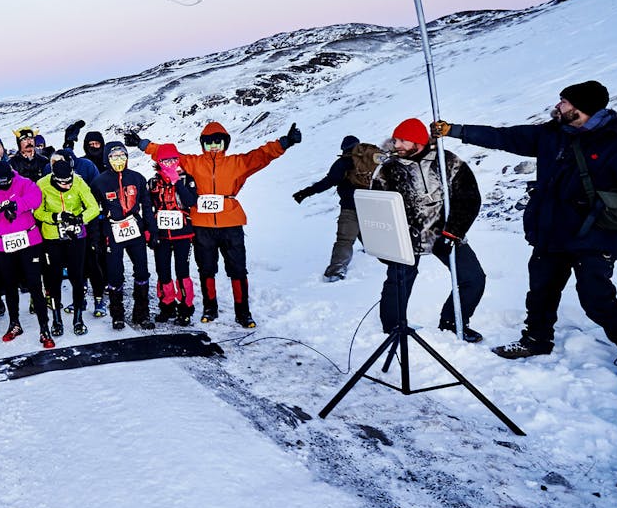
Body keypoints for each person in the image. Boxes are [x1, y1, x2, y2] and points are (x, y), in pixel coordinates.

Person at [433, 80, 617, 385]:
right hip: (551, 230)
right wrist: (455, 130)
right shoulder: (551, 134)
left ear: (582, 108)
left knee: (596, 298)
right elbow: (504, 136)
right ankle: (536, 340)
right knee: (541, 291)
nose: (558, 106)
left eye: (563, 101)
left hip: (596, 234)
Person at [129, 120, 300, 327]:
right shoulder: (194, 163)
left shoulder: (237, 162)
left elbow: (261, 156)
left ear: (225, 143)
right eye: (209, 143)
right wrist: (144, 145)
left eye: (218, 142)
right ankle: (210, 308)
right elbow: (170, 156)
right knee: (206, 269)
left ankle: (243, 311)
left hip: (231, 222)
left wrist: (284, 143)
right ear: (203, 145)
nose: (213, 146)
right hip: (202, 225)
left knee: (238, 269)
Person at [370, 119, 486, 343]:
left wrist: (453, 232)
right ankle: (393, 327)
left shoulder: (446, 161)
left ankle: (453, 324)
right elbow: (377, 208)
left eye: (403, 140)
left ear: (419, 141)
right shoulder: (388, 169)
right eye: (396, 140)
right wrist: (385, 244)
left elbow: (469, 198)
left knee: (473, 278)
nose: (397, 145)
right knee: (399, 280)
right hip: (406, 235)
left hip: (443, 232)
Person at [0, 159, 54, 347]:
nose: (4, 184)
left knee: (35, 284)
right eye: (0, 181)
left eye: (7, 180)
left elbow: (36, 198)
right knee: (10, 286)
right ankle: (14, 323)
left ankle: (45, 327)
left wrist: (14, 204)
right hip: (4, 245)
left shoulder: (23, 182)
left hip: (29, 241)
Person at [32, 156, 101, 336]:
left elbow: (93, 207)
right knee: (53, 279)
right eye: (61, 183)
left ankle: (78, 318)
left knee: (77, 278)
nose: (66, 185)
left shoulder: (78, 181)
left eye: (68, 181)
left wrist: (79, 219)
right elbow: (37, 212)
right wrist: (55, 217)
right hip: (52, 237)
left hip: (75, 235)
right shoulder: (42, 184)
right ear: (53, 177)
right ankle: (56, 319)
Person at [91, 141, 155, 330]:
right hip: (113, 231)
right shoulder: (99, 182)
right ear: (107, 159)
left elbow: (147, 207)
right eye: (114, 156)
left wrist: (152, 230)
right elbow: (94, 212)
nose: (118, 160)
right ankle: (117, 315)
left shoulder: (137, 178)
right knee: (115, 273)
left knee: (142, 270)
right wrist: (97, 238)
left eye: (122, 156)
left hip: (135, 229)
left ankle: (142, 314)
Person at [293, 135, 373, 281]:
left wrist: (305, 193)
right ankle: (373, 251)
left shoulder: (343, 163)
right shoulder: (370, 160)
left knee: (344, 239)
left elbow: (328, 182)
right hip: (371, 204)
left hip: (351, 206)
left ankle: (336, 270)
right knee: (365, 228)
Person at [148, 143, 199, 323]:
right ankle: (167, 306)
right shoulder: (153, 182)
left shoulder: (187, 179)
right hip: (161, 234)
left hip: (183, 234)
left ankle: (185, 308)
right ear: (158, 162)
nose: (169, 163)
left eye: (173, 160)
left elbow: (191, 201)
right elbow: (147, 208)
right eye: (165, 160)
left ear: (178, 160)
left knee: (182, 271)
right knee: (163, 271)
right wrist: (149, 231)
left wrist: (177, 181)